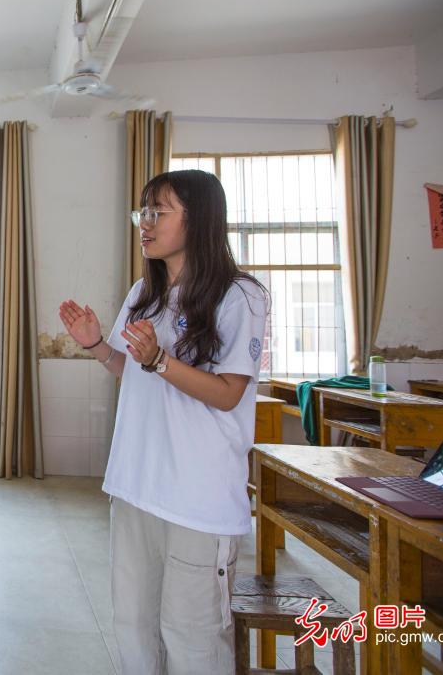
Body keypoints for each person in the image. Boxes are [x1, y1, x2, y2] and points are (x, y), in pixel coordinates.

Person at [59, 169, 269, 674]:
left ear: (198, 221)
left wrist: (159, 361)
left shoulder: (240, 296)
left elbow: (227, 394)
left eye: (158, 212)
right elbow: (130, 373)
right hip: (136, 485)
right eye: (142, 212)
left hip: (198, 498)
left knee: (191, 635)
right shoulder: (143, 294)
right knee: (134, 625)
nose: (145, 224)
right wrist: (95, 345)